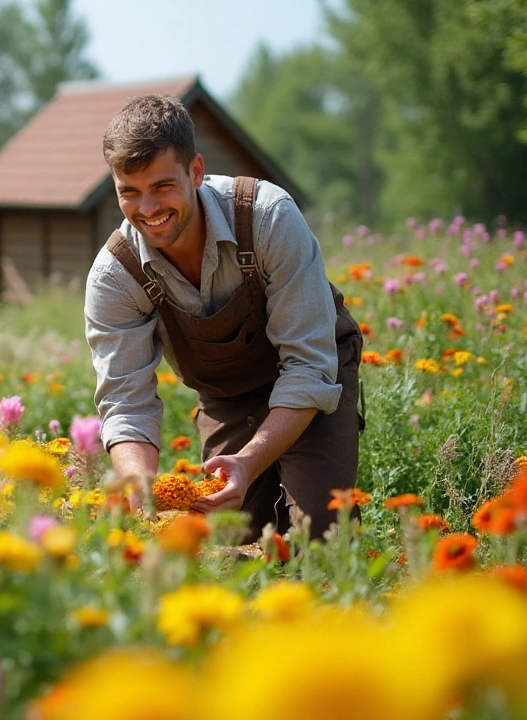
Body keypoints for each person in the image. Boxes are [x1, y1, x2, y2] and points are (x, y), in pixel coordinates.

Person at [84, 94, 363, 541]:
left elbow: (310, 365)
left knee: (319, 534)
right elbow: (126, 403)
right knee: (231, 543)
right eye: (129, 192)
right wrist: (139, 486)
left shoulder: (266, 218)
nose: (148, 209)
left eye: (162, 186)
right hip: (226, 397)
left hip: (313, 381)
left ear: (196, 171)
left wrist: (250, 462)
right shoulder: (114, 278)